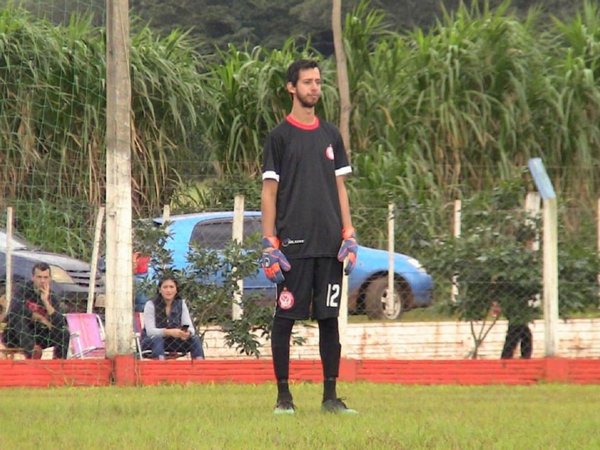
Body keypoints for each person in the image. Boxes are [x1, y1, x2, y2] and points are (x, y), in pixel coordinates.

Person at [261, 59, 358, 415]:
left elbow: (340, 188)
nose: (314, 88)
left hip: (330, 246)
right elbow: (269, 192)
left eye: (318, 82)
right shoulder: (279, 137)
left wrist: (348, 233)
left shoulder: (331, 135)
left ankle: (331, 397)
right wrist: (269, 242)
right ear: (291, 88)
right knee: (285, 319)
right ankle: (283, 397)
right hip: (293, 247)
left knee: (329, 320)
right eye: (307, 82)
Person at [4, 262, 70, 359]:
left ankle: (59, 363)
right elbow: (14, 309)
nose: (42, 281)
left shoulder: (52, 296)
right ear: (33, 277)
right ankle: (32, 352)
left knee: (64, 332)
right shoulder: (23, 289)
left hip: (39, 334)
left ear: (50, 279)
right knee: (17, 317)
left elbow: (60, 322)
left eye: (45, 277)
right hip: (17, 334)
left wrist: (46, 302)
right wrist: (39, 318)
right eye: (39, 277)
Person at [141, 275, 204, 360]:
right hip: (152, 342)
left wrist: (186, 333)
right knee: (158, 339)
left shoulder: (181, 304)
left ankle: (200, 367)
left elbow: (191, 328)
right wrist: (169, 332)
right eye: (165, 287)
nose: (168, 290)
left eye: (171, 287)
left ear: (176, 290)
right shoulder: (150, 304)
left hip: (174, 342)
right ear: (160, 290)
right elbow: (150, 331)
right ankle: (159, 367)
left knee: (195, 339)